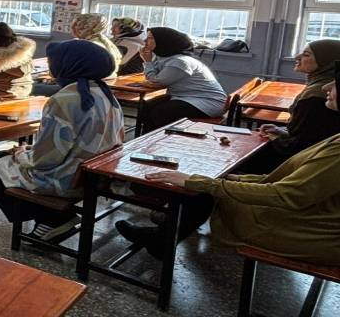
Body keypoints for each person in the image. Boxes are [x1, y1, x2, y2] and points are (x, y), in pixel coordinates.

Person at [116, 62, 340, 266]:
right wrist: (232, 178)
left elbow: (285, 194)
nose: (325, 87)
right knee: (207, 184)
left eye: (336, 83)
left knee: (203, 189)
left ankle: (164, 235)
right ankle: (164, 234)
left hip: (308, 233)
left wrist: (204, 182)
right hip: (313, 221)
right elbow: (287, 182)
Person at [0, 40, 124, 240]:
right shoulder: (105, 94)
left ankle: (52, 218)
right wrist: (27, 152)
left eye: (53, 62)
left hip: (65, 180)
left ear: (69, 64)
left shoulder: (65, 99)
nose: (51, 66)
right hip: (91, 176)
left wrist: (22, 154)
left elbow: (44, 160)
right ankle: (50, 216)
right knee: (0, 157)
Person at [243, 39, 340, 172]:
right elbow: (310, 133)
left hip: (299, 164)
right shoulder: (325, 85)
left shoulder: (317, 96)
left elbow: (301, 146)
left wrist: (275, 138)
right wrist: (282, 131)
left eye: (306, 55)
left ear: (326, 62)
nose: (297, 57)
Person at [139, 27, 227, 131]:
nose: (145, 40)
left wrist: (148, 62)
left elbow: (155, 82)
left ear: (163, 41)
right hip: (186, 97)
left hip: (207, 102)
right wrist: (150, 67)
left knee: (160, 111)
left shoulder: (179, 61)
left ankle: (161, 138)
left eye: (150, 38)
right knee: (147, 106)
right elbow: (154, 79)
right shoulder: (166, 58)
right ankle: (147, 137)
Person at [70, 13, 121, 79]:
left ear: (88, 28)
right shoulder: (103, 41)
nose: (72, 28)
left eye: (77, 25)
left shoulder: (89, 46)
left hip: (89, 82)